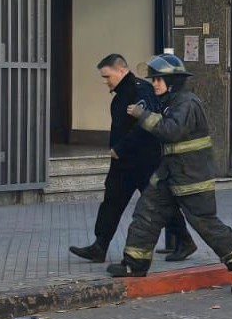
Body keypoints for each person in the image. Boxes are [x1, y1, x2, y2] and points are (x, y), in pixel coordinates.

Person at [107, 54, 232, 295]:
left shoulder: (187, 103)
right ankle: (134, 265)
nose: (154, 83)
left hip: (192, 178)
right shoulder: (170, 101)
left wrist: (142, 115)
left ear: (174, 81)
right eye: (154, 79)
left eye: (159, 79)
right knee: (146, 214)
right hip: (168, 176)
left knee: (206, 224)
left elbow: (171, 131)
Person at [69, 54, 192, 263]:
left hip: (144, 161)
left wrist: (121, 148)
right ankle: (100, 246)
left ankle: (184, 240)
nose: (106, 81)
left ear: (120, 70)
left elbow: (145, 126)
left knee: (158, 203)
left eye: (107, 76)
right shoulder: (122, 95)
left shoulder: (140, 90)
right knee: (111, 202)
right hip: (123, 163)